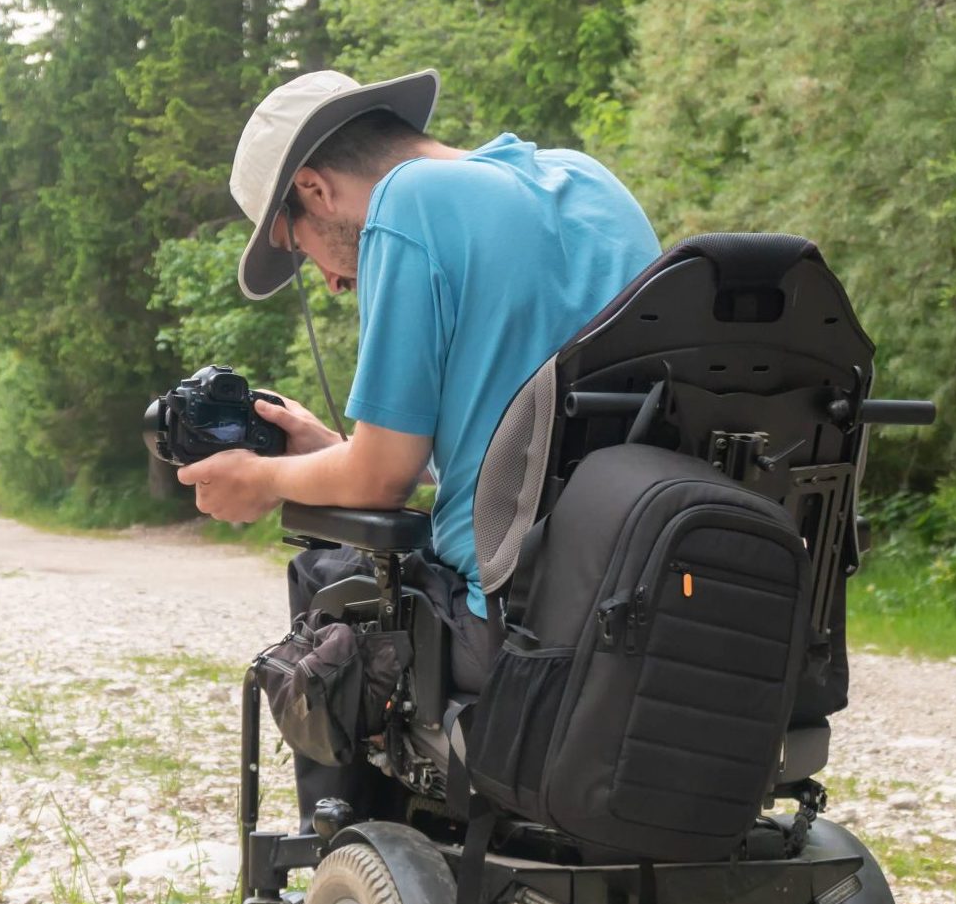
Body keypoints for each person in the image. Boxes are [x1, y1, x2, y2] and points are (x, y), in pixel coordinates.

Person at [178, 68, 660, 824]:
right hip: (642, 590)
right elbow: (533, 438)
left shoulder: (408, 202)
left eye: (300, 250)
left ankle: (344, 849)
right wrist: (328, 448)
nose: (333, 280)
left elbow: (379, 485)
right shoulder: (589, 183)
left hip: (516, 627)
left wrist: (263, 478)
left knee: (328, 573)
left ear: (313, 188)